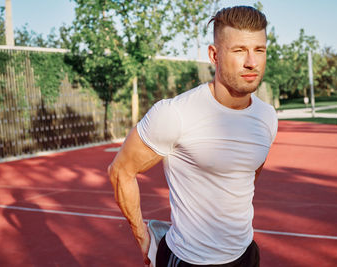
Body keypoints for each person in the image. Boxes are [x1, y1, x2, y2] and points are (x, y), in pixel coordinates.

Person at [108, 6, 278, 267]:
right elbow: (120, 171)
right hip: (189, 260)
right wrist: (142, 237)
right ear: (214, 55)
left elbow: (250, 173)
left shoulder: (267, 117)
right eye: (239, 50)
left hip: (246, 254)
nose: (251, 62)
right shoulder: (175, 113)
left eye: (259, 50)